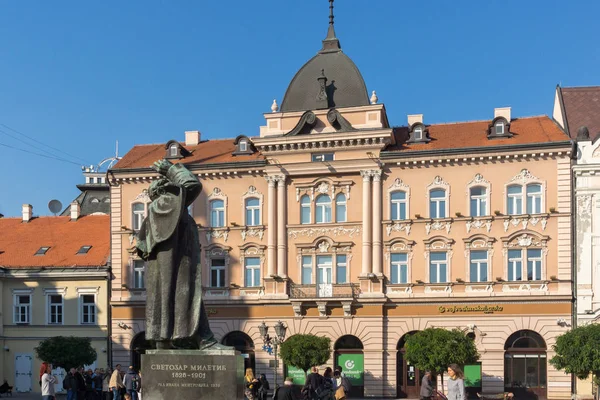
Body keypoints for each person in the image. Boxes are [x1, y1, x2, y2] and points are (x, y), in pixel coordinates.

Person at [136, 159, 226, 350]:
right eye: (176, 190)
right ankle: (204, 340)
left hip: (172, 271)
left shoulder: (159, 211)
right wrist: (171, 170)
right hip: (179, 267)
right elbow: (193, 184)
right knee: (189, 296)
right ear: (169, 192)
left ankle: (167, 341)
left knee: (178, 298)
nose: (181, 194)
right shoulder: (167, 205)